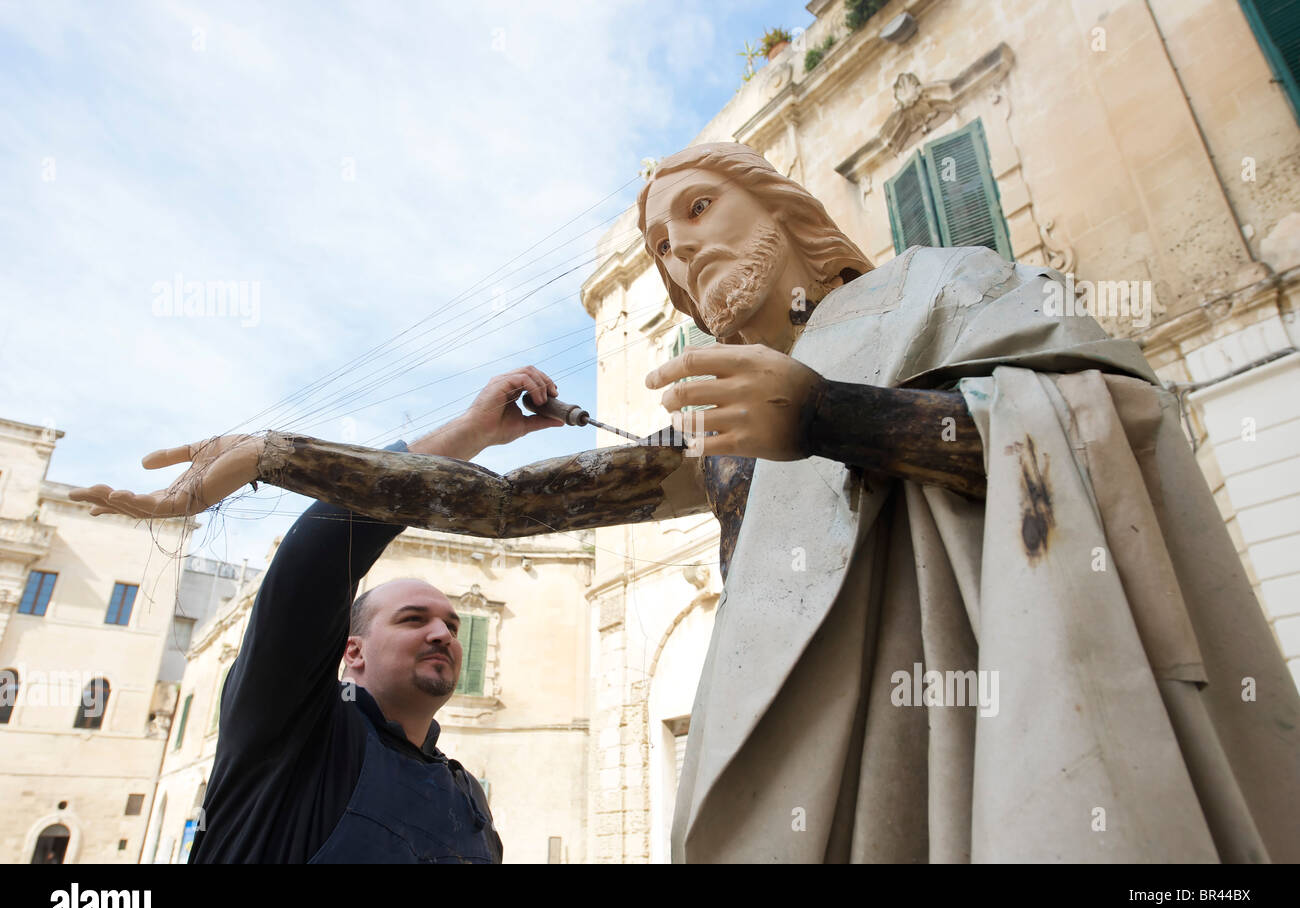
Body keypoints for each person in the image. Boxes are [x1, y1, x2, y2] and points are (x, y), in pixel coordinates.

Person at [79, 144, 1300, 863]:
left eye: (699, 213)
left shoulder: (946, 287)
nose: (681, 255)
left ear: (787, 212)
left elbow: (1099, 435)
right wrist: (281, 450)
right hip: (807, 747)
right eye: (661, 247)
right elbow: (497, 509)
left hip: (982, 715)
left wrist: (823, 414)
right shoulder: (713, 433)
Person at [75, 367, 563, 863]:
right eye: (413, 619)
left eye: (453, 626)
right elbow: (324, 552)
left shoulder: (467, 796)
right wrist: (470, 432)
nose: (443, 633)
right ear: (352, 651)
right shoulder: (294, 730)